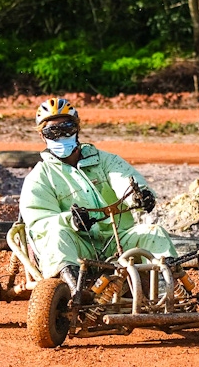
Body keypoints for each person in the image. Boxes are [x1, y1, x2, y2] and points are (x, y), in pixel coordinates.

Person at [19, 97, 184, 295]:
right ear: (43, 137)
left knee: (154, 232)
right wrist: (71, 220)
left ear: (77, 129)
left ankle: (170, 296)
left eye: (67, 129)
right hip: (78, 246)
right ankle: (74, 295)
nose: (61, 136)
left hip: (116, 241)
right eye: (53, 132)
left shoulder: (105, 160)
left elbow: (124, 180)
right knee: (56, 236)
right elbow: (39, 223)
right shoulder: (39, 177)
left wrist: (139, 196)